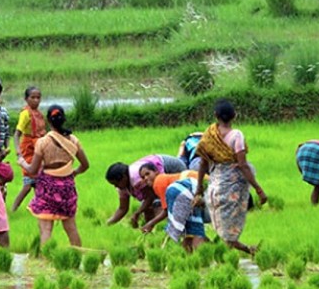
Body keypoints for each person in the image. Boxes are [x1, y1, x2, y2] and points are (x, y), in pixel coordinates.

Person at [194, 99, 267, 255]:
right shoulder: (236, 136)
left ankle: (241, 252)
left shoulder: (209, 135)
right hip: (231, 189)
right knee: (229, 233)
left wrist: (199, 188)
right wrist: (259, 189)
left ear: (215, 115)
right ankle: (233, 254)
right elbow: (243, 165)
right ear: (235, 115)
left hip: (215, 190)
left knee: (224, 231)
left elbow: (202, 164)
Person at [18, 105, 89, 246]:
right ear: (64, 120)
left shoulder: (43, 142)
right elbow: (85, 165)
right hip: (67, 188)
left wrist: (22, 162)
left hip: (47, 188)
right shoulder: (73, 140)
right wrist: (73, 173)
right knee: (71, 228)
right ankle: (78, 257)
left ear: (48, 122)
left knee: (46, 229)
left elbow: (32, 170)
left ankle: (46, 260)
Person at [105, 154, 186, 227]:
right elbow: (123, 208)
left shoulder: (136, 177)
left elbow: (151, 197)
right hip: (157, 176)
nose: (115, 186)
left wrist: (137, 213)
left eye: (116, 183)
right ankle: (151, 230)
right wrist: (107, 224)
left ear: (123, 178)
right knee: (147, 208)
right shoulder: (122, 187)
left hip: (172, 168)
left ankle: (165, 227)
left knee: (158, 204)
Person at [12, 86, 46, 212]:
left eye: (38, 98)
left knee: (40, 183)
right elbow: (17, 134)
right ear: (26, 99)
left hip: (39, 148)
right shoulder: (25, 114)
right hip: (28, 150)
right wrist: (18, 151)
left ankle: (36, 207)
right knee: (28, 185)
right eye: (33, 97)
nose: (36, 100)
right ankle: (14, 209)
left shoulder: (39, 114)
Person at [136, 164, 199, 233]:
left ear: (156, 172)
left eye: (148, 174)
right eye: (143, 177)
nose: (146, 178)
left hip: (195, 183)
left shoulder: (158, 182)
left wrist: (150, 223)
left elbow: (166, 211)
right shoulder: (162, 179)